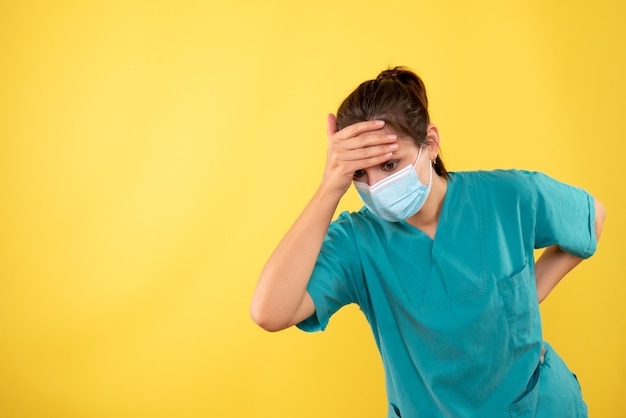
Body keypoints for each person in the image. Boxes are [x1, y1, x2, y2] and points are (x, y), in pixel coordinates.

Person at [250, 66, 606, 417]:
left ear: (430, 144)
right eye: (360, 173)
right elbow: (269, 312)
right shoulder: (358, 242)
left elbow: (592, 217)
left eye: (389, 165)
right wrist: (331, 187)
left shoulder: (506, 196)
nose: (376, 187)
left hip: (535, 406)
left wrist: (533, 288)